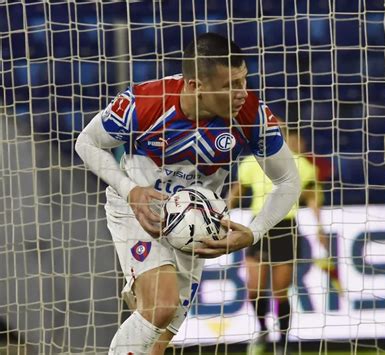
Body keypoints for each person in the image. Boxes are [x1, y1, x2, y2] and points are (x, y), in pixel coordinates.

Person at [74, 32, 301, 355]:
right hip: (141, 209)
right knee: (162, 305)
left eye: (244, 80)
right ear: (196, 86)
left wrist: (253, 232)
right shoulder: (145, 102)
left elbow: (288, 181)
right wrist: (131, 190)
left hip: (196, 224)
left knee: (160, 337)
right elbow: (87, 142)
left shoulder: (252, 116)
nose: (242, 93)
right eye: (229, 86)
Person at [228, 126, 339, 355]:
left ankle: (283, 340)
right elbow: (237, 190)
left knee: (280, 291)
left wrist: (320, 227)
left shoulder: (301, 164)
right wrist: (222, 213)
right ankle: (262, 331)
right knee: (254, 288)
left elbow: (312, 198)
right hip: (257, 227)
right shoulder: (252, 162)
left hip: (286, 228)